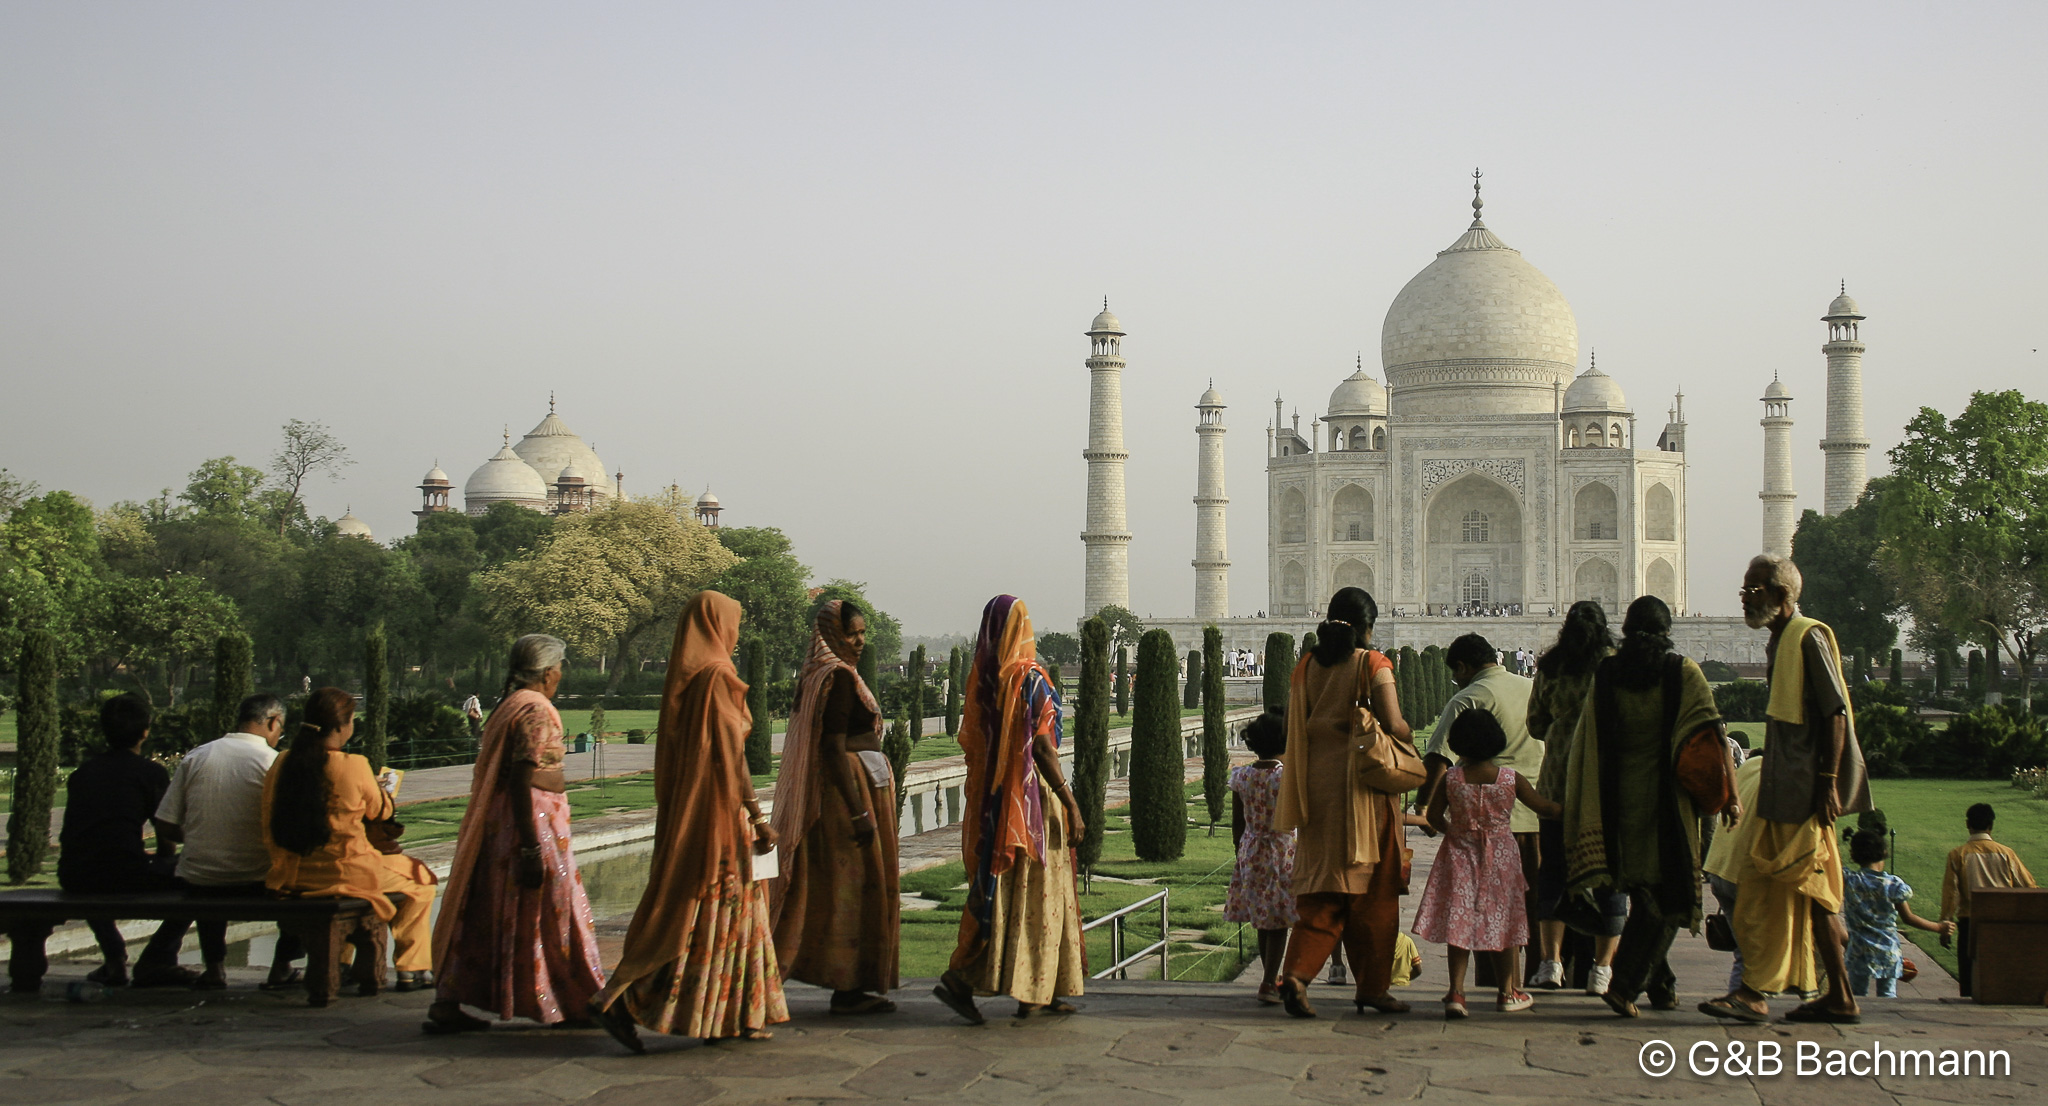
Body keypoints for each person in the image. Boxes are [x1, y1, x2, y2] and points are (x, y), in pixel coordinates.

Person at [590, 593, 788, 1050]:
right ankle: (625, 999)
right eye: (733, 624)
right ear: (720, 627)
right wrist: (757, 816)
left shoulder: (691, 678)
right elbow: (729, 755)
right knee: (721, 913)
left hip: (696, 811)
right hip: (721, 816)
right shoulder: (719, 678)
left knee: (706, 916)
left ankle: (727, 1014)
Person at [1702, 554, 1872, 1025]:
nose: (1744, 599)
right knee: (1810, 893)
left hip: (1803, 790)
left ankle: (1754, 993)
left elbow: (1836, 711)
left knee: (1764, 888)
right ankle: (1838, 994)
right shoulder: (1782, 641)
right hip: (1785, 783)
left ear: (1782, 596)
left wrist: (1828, 784)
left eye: (1753, 590)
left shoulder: (1808, 636)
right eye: (1743, 590)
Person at [428, 635, 605, 1033]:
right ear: (547, 672)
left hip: (510, 822)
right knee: (554, 910)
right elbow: (523, 775)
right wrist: (529, 848)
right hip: (531, 825)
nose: (561, 674)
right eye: (560, 667)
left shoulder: (510, 705)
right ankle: (567, 999)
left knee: (497, 911)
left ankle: (451, 999)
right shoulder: (536, 709)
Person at [1559, 596, 1724, 1018]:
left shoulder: (1609, 672)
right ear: (1668, 631)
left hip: (1618, 801)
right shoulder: (1681, 671)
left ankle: (1663, 987)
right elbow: (1711, 734)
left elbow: (1588, 739)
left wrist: (1584, 799)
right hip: (1669, 803)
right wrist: (1730, 796)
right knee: (1669, 897)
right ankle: (1625, 985)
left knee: (1640, 891)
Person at [934, 595, 1086, 1023]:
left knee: (1006, 893)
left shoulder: (987, 680)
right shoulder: (1030, 678)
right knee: (1040, 894)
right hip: (1034, 801)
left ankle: (1041, 988)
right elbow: (1041, 746)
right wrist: (1070, 802)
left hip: (1001, 802)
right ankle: (970, 980)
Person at [1273, 586, 1415, 1018]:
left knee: (1323, 887)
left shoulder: (1305, 667)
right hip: (1364, 791)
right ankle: (1372, 988)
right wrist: (1406, 738)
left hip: (1317, 788)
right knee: (1374, 888)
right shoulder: (1373, 663)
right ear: (1366, 627)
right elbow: (1393, 723)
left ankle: (1296, 974)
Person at [768, 599, 899, 1016]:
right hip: (848, 796)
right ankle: (848, 985)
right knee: (855, 890)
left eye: (862, 633)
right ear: (830, 636)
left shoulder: (820, 675)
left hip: (846, 793)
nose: (859, 642)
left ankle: (842, 980)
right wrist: (859, 810)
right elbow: (832, 746)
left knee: (835, 890)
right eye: (851, 634)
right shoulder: (838, 678)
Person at [263, 687, 436, 989]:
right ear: (343, 725)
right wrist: (377, 787)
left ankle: (342, 962)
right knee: (421, 881)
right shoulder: (353, 765)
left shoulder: (283, 763)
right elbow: (382, 811)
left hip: (291, 875)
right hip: (347, 874)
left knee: (396, 872)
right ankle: (412, 967)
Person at [1415, 710, 1562, 1017]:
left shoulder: (1451, 779)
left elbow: (1431, 817)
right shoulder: (1510, 779)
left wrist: (1454, 831)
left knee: (1460, 923)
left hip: (1460, 853)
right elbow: (1543, 807)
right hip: (1502, 857)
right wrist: (1571, 807)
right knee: (1505, 922)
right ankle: (1507, 992)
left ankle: (1456, 991)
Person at [155, 693, 304, 990]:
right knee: (305, 882)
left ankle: (214, 967)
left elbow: (165, 823)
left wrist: (197, 836)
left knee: (209, 869)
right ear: (274, 722)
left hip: (200, 881)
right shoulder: (273, 762)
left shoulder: (198, 756)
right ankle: (282, 965)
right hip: (257, 880)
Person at [1422, 633, 1542, 993]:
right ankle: (1524, 983)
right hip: (1533, 817)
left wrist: (1425, 802)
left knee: (1480, 908)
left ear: (1462, 667)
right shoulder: (1532, 688)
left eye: (1456, 674)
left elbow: (1439, 756)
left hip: (1487, 826)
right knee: (1525, 907)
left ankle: (1496, 986)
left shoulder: (1470, 696)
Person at [57, 692, 198, 988]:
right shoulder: (149, 773)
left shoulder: (83, 774)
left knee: (93, 868)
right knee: (203, 881)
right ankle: (158, 957)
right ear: (145, 732)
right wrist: (166, 859)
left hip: (74, 874)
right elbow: (165, 828)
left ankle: (113, 958)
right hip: (126, 872)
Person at [1525, 601, 1620, 993]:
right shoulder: (1616, 666)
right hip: (1605, 788)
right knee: (1610, 877)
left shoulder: (1551, 668)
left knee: (1554, 875)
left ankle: (1552, 963)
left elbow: (1534, 723)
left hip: (1557, 786)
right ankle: (1601, 971)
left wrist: (1564, 729)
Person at [1225, 709, 1295, 1005]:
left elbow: (1237, 820)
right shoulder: (1286, 778)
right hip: (1282, 850)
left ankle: (1269, 975)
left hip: (1251, 849)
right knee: (1277, 920)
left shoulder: (1242, 776)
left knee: (1263, 920)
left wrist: (1239, 851)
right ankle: (1268, 981)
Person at [1940, 803, 2036, 997]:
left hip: (1970, 920)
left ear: (1968, 824)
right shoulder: (2006, 854)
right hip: (2002, 920)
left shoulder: (1958, 855)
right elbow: (2028, 887)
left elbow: (1952, 894)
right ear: (1991, 826)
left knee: (1968, 973)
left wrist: (1946, 924)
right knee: (2001, 969)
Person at [1844, 827, 1950, 998]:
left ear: (1854, 855)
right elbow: (1909, 918)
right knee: (1888, 996)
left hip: (1858, 951)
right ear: (1884, 852)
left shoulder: (1850, 880)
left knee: (1857, 996)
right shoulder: (1893, 885)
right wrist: (1939, 927)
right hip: (1888, 951)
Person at [1702, 746, 1768, 993]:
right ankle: (1744, 998)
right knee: (1754, 954)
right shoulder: (1778, 777)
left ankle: (1740, 997)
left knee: (1746, 952)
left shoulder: (1750, 767)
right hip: (1745, 875)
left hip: (1720, 867)